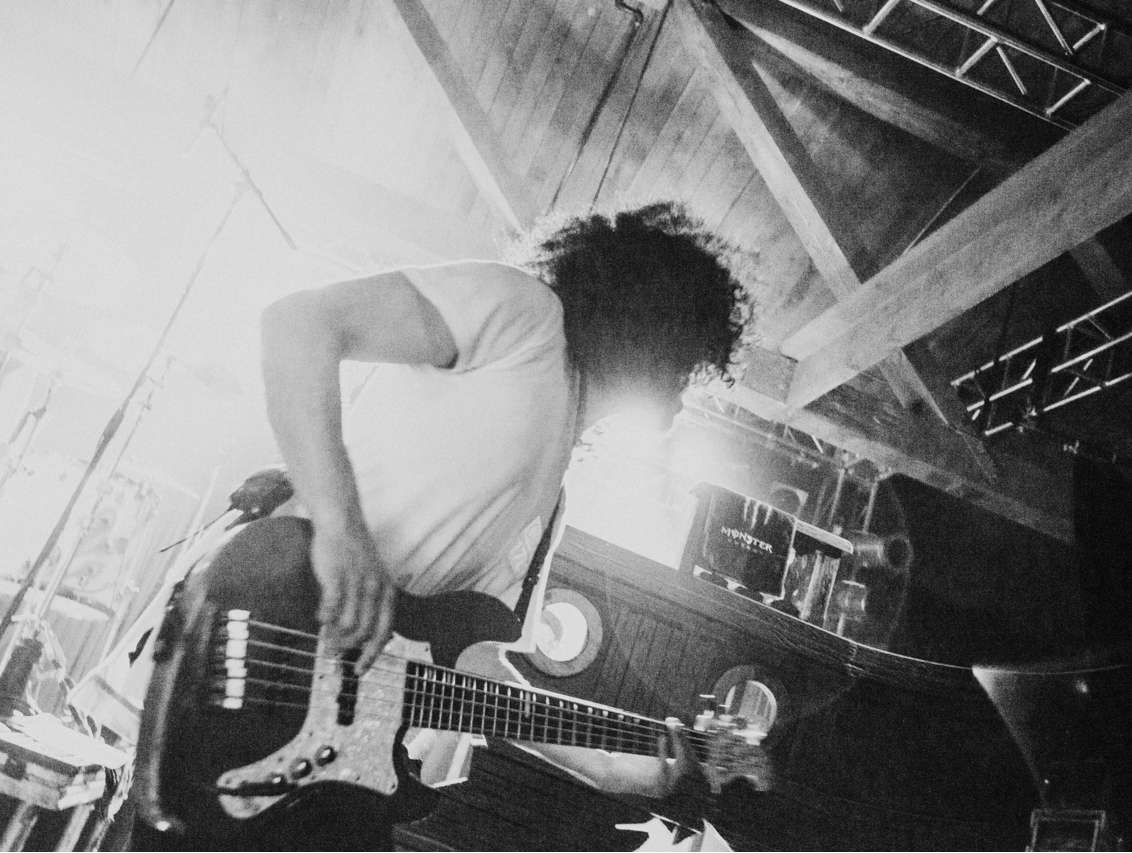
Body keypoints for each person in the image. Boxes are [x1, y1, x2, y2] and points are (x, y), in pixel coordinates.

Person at [142, 201, 751, 850]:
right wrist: (342, 531)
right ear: (656, 323)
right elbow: (298, 323)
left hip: (319, 759)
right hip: (264, 621)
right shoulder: (523, 314)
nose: (689, 383)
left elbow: (470, 661)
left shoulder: (553, 502)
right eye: (689, 354)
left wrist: (618, 765)